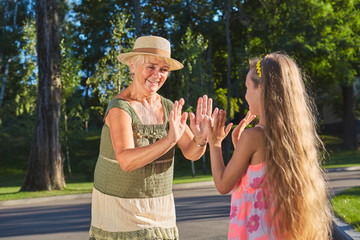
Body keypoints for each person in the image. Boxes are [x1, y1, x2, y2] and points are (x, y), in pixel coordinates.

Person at [89, 36, 212, 240]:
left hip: (159, 206)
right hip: (121, 207)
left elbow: (192, 153)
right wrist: (169, 140)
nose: (157, 75)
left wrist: (200, 140)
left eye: (163, 70)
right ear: (133, 65)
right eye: (151, 67)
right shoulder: (120, 108)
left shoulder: (168, 107)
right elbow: (126, 161)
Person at [207, 53, 333, 239]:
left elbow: (223, 184)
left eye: (247, 88)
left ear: (262, 90)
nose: (245, 95)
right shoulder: (293, 140)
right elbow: (261, 181)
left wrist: (215, 142)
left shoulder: (253, 137)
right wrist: (239, 148)